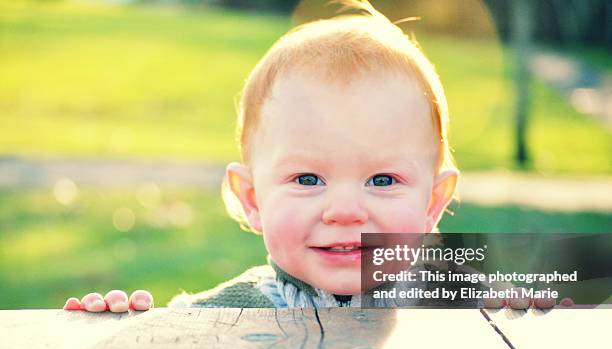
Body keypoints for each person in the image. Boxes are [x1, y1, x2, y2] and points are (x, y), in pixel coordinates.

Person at [63, 0, 561, 312]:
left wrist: (523, 312)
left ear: (434, 203)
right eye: (307, 178)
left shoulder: (461, 300)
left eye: (383, 180)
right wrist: (122, 324)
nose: (343, 210)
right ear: (252, 199)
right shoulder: (227, 311)